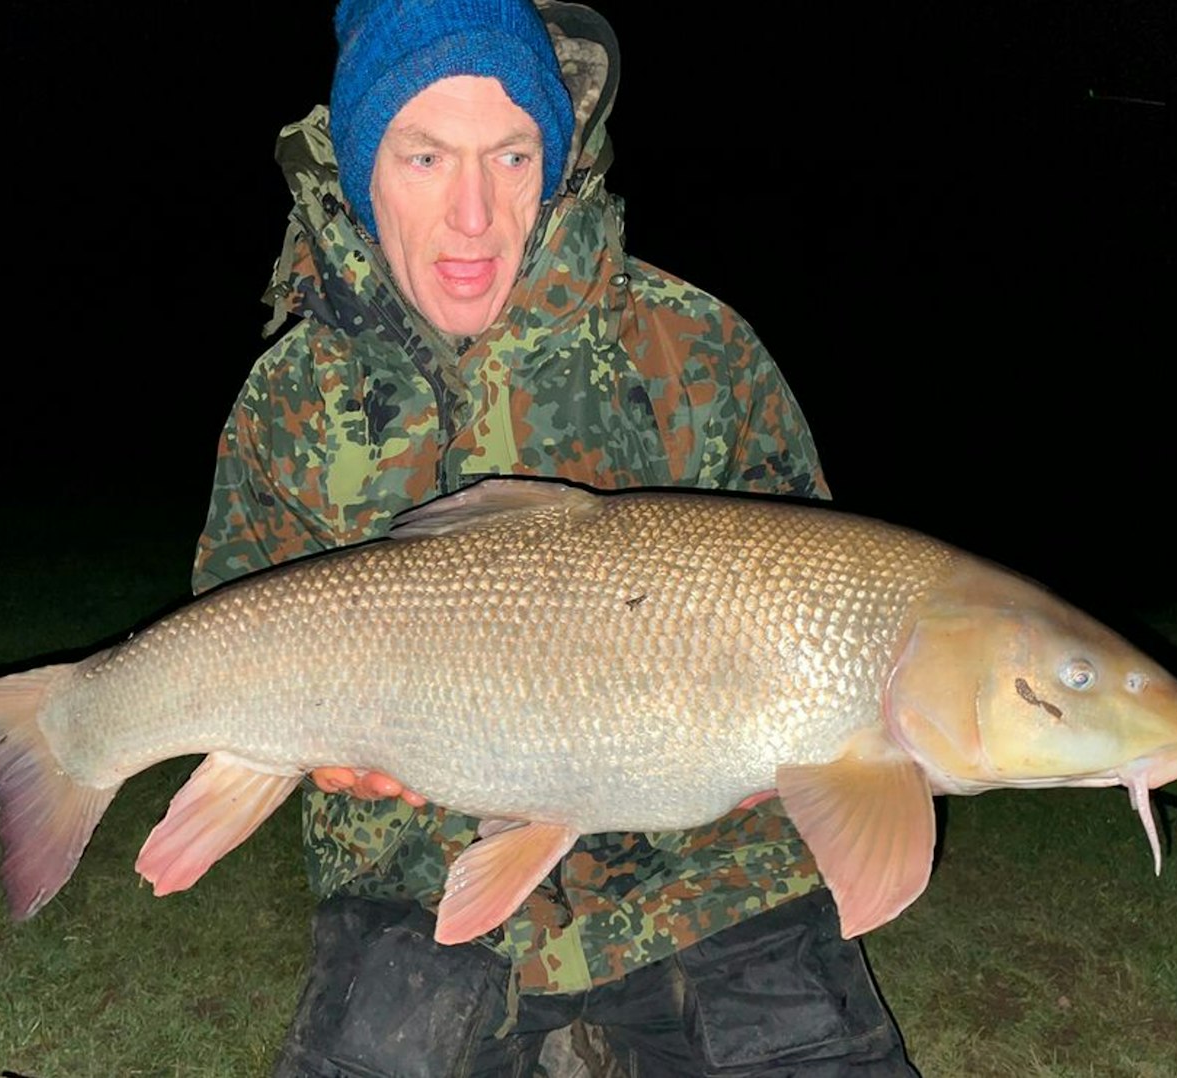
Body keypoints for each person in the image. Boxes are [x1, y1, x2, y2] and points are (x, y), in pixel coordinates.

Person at [193, 1, 917, 1074]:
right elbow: (234, 610)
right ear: (359, 170)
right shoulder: (289, 400)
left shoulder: (697, 346)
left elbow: (830, 590)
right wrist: (313, 752)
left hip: (707, 875)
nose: (476, 213)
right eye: (426, 154)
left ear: (558, 155)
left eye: (512, 154)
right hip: (421, 871)